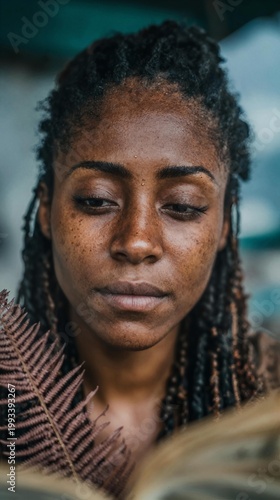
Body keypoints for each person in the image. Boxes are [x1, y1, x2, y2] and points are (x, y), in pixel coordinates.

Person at [14, 20, 271, 467]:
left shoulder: (270, 403)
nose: (136, 241)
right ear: (45, 209)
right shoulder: (8, 410)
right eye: (97, 200)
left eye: (184, 206)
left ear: (225, 223)